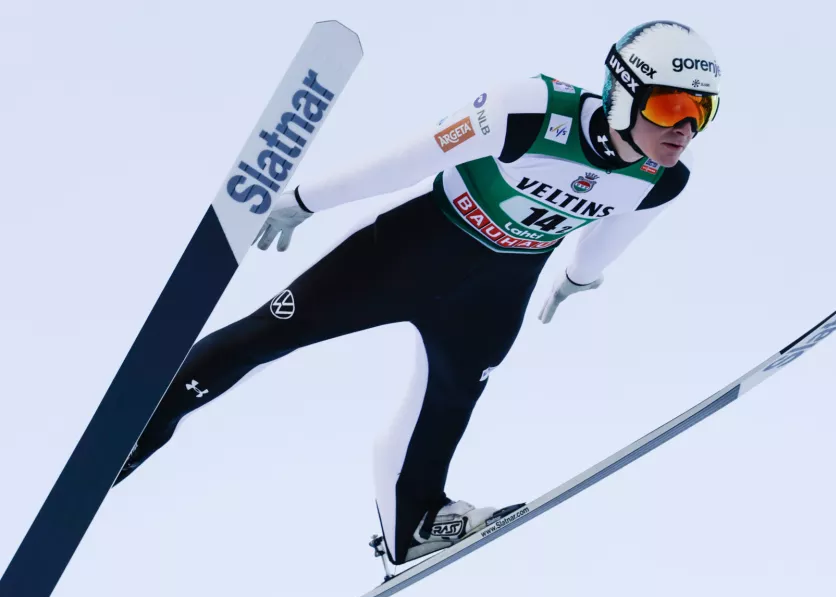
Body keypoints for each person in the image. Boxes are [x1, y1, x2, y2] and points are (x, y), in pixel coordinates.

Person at [113, 20, 722, 566]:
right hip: (411, 251)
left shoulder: (663, 179)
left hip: (497, 289)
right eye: (670, 107)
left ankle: (415, 521)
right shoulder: (529, 109)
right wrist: (306, 200)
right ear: (622, 95)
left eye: (702, 111)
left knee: (453, 398)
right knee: (271, 333)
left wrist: (576, 280)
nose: (686, 128)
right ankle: (137, 426)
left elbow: (610, 233)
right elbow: (408, 161)